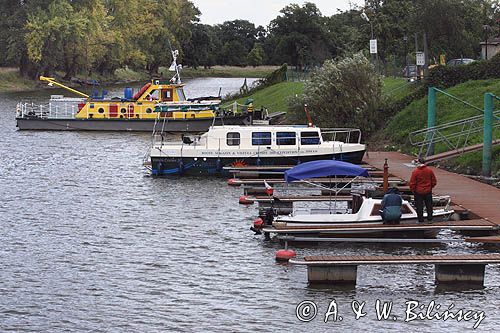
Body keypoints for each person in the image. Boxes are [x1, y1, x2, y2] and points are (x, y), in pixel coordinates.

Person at [409, 158, 437, 223]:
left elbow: (412, 182)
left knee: (419, 206)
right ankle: (430, 219)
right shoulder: (429, 170)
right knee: (429, 205)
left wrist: (413, 190)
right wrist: (430, 187)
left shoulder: (415, 172)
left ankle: (420, 220)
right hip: (428, 190)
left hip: (418, 191)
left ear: (418, 163)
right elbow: (434, 181)